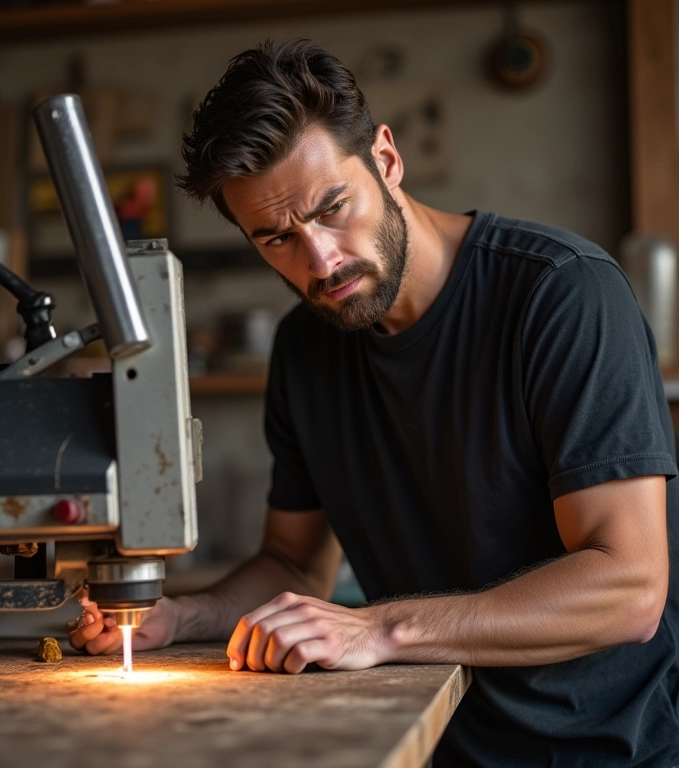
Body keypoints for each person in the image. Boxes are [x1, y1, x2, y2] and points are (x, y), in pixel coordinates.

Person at [69, 38, 679, 767]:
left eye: (333, 208)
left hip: (601, 752)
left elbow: (629, 585)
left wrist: (380, 629)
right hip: (426, 741)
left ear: (386, 160)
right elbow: (296, 565)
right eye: (277, 239)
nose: (320, 260)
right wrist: (180, 616)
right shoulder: (305, 348)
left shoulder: (562, 295)